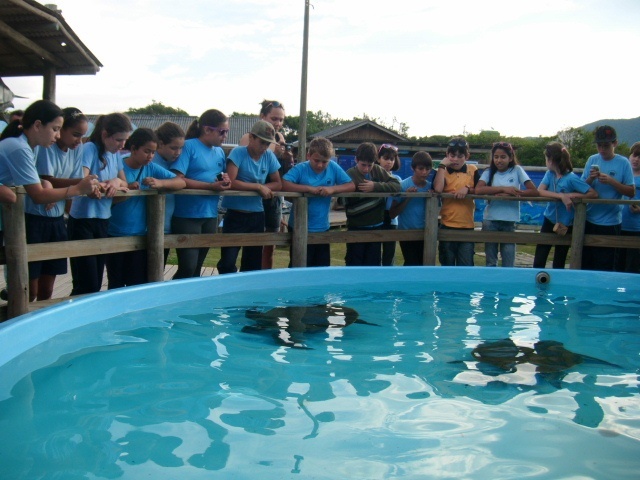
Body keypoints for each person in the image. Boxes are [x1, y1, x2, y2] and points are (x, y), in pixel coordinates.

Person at [26, 107, 93, 301]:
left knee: (47, 289)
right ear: (60, 129)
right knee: (30, 286)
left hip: (56, 219)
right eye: (75, 135)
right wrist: (82, 186)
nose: (79, 140)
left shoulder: (77, 149)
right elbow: (48, 179)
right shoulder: (45, 147)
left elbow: (73, 181)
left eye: (82, 136)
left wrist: (78, 186)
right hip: (34, 218)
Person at [106, 128, 185, 289]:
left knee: (137, 284)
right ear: (133, 149)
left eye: (153, 152)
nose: (150, 156)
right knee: (116, 283)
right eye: (146, 151)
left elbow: (180, 182)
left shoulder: (151, 168)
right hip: (114, 233)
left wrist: (161, 183)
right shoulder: (117, 165)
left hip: (140, 237)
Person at [67, 112, 131, 295]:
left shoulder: (115, 154)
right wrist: (104, 184)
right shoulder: (89, 148)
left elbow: (124, 183)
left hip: (103, 220)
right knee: (86, 283)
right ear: (105, 135)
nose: (122, 145)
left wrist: (115, 182)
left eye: (125, 140)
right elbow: (82, 177)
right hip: (83, 220)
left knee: (95, 283)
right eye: (119, 140)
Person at [170, 109, 231, 279]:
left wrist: (224, 181)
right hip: (187, 214)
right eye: (222, 131)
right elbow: (178, 178)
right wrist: (210, 186)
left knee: (197, 267)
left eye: (226, 131)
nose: (225, 136)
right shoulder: (189, 146)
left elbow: (219, 176)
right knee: (187, 267)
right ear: (207, 129)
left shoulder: (219, 151)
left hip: (210, 214)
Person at [217, 120, 282, 274]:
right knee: (227, 261)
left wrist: (264, 187)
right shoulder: (238, 152)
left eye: (268, 143)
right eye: (262, 142)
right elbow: (231, 181)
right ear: (251, 138)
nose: (265, 147)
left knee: (252, 263)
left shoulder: (269, 156)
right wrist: (258, 187)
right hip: (235, 213)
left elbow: (278, 183)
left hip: (256, 215)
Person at [239, 100, 295, 269]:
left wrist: (287, 158)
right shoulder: (248, 136)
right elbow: (247, 160)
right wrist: (272, 150)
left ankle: (265, 278)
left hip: (273, 195)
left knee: (270, 244)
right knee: (250, 244)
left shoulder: (279, 137)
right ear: (262, 116)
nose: (277, 123)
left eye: (281, 120)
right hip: (252, 196)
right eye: (274, 118)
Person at [282, 137, 354, 267]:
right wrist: (308, 189)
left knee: (322, 267)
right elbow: (285, 183)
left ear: (330, 160)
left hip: (322, 227)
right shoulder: (301, 168)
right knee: (299, 265)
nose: (320, 165)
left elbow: (350, 185)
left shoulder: (333, 167)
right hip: (299, 227)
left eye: (324, 162)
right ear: (308, 156)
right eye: (316, 160)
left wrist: (332, 189)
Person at [533, 142, 597, 269]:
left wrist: (573, 195)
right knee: (540, 256)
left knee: (559, 259)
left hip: (567, 223)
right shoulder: (549, 174)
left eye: (546, 158)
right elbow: (540, 190)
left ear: (551, 160)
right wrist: (561, 196)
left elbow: (593, 193)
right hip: (550, 219)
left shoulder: (571, 178)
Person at [475, 142, 538, 267]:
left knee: (508, 261)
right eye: (496, 157)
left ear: (510, 158)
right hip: (491, 220)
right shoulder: (489, 171)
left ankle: (506, 286)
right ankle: (491, 286)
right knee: (491, 261)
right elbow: (479, 189)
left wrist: (512, 195)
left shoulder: (517, 170)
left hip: (509, 221)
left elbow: (533, 191)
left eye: (503, 157)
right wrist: (503, 189)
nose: (499, 160)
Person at [581, 125, 635, 271]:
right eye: (599, 146)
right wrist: (591, 179)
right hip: (588, 220)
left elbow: (631, 191)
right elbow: (580, 187)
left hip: (611, 223)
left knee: (606, 267)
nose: (602, 150)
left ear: (615, 143)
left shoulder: (623, 163)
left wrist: (611, 181)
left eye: (606, 146)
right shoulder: (592, 159)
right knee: (586, 265)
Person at [344, 142, 401, 266]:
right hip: (356, 227)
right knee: (354, 264)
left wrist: (375, 186)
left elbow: (397, 185)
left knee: (373, 265)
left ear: (374, 162)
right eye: (363, 165)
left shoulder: (377, 170)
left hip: (376, 227)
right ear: (356, 160)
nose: (366, 169)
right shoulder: (349, 174)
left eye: (369, 165)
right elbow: (341, 200)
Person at [433, 137, 479, 266]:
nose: (456, 159)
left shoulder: (473, 170)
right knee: (447, 265)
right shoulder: (442, 172)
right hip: (447, 225)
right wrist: (442, 166)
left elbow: (481, 189)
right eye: (452, 155)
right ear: (447, 155)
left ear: (467, 156)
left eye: (460, 156)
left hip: (467, 226)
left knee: (466, 265)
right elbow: (437, 188)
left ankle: (465, 287)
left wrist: (468, 188)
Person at [390, 151, 433, 266]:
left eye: (427, 169)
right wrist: (407, 197)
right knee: (411, 263)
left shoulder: (431, 187)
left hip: (426, 232)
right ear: (413, 168)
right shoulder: (403, 185)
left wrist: (433, 198)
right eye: (421, 168)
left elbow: (437, 210)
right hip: (406, 232)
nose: (424, 172)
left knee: (424, 264)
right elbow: (392, 213)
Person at [152, 122, 185, 265]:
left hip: (165, 225)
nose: (177, 152)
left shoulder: (175, 162)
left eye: (180, 148)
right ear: (160, 144)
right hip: (149, 226)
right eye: (173, 148)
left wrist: (162, 183)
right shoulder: (151, 161)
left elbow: (181, 182)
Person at [616, 142, 640, 273]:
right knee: (617, 267)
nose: (636, 159)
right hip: (619, 224)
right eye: (634, 155)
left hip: (636, 229)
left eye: (639, 157)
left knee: (633, 268)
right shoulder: (622, 174)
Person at [377, 143, 403, 266]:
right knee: (374, 254)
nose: (389, 162)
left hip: (392, 220)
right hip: (375, 219)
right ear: (378, 159)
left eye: (392, 159)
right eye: (386, 158)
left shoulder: (397, 179)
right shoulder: (373, 177)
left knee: (389, 254)